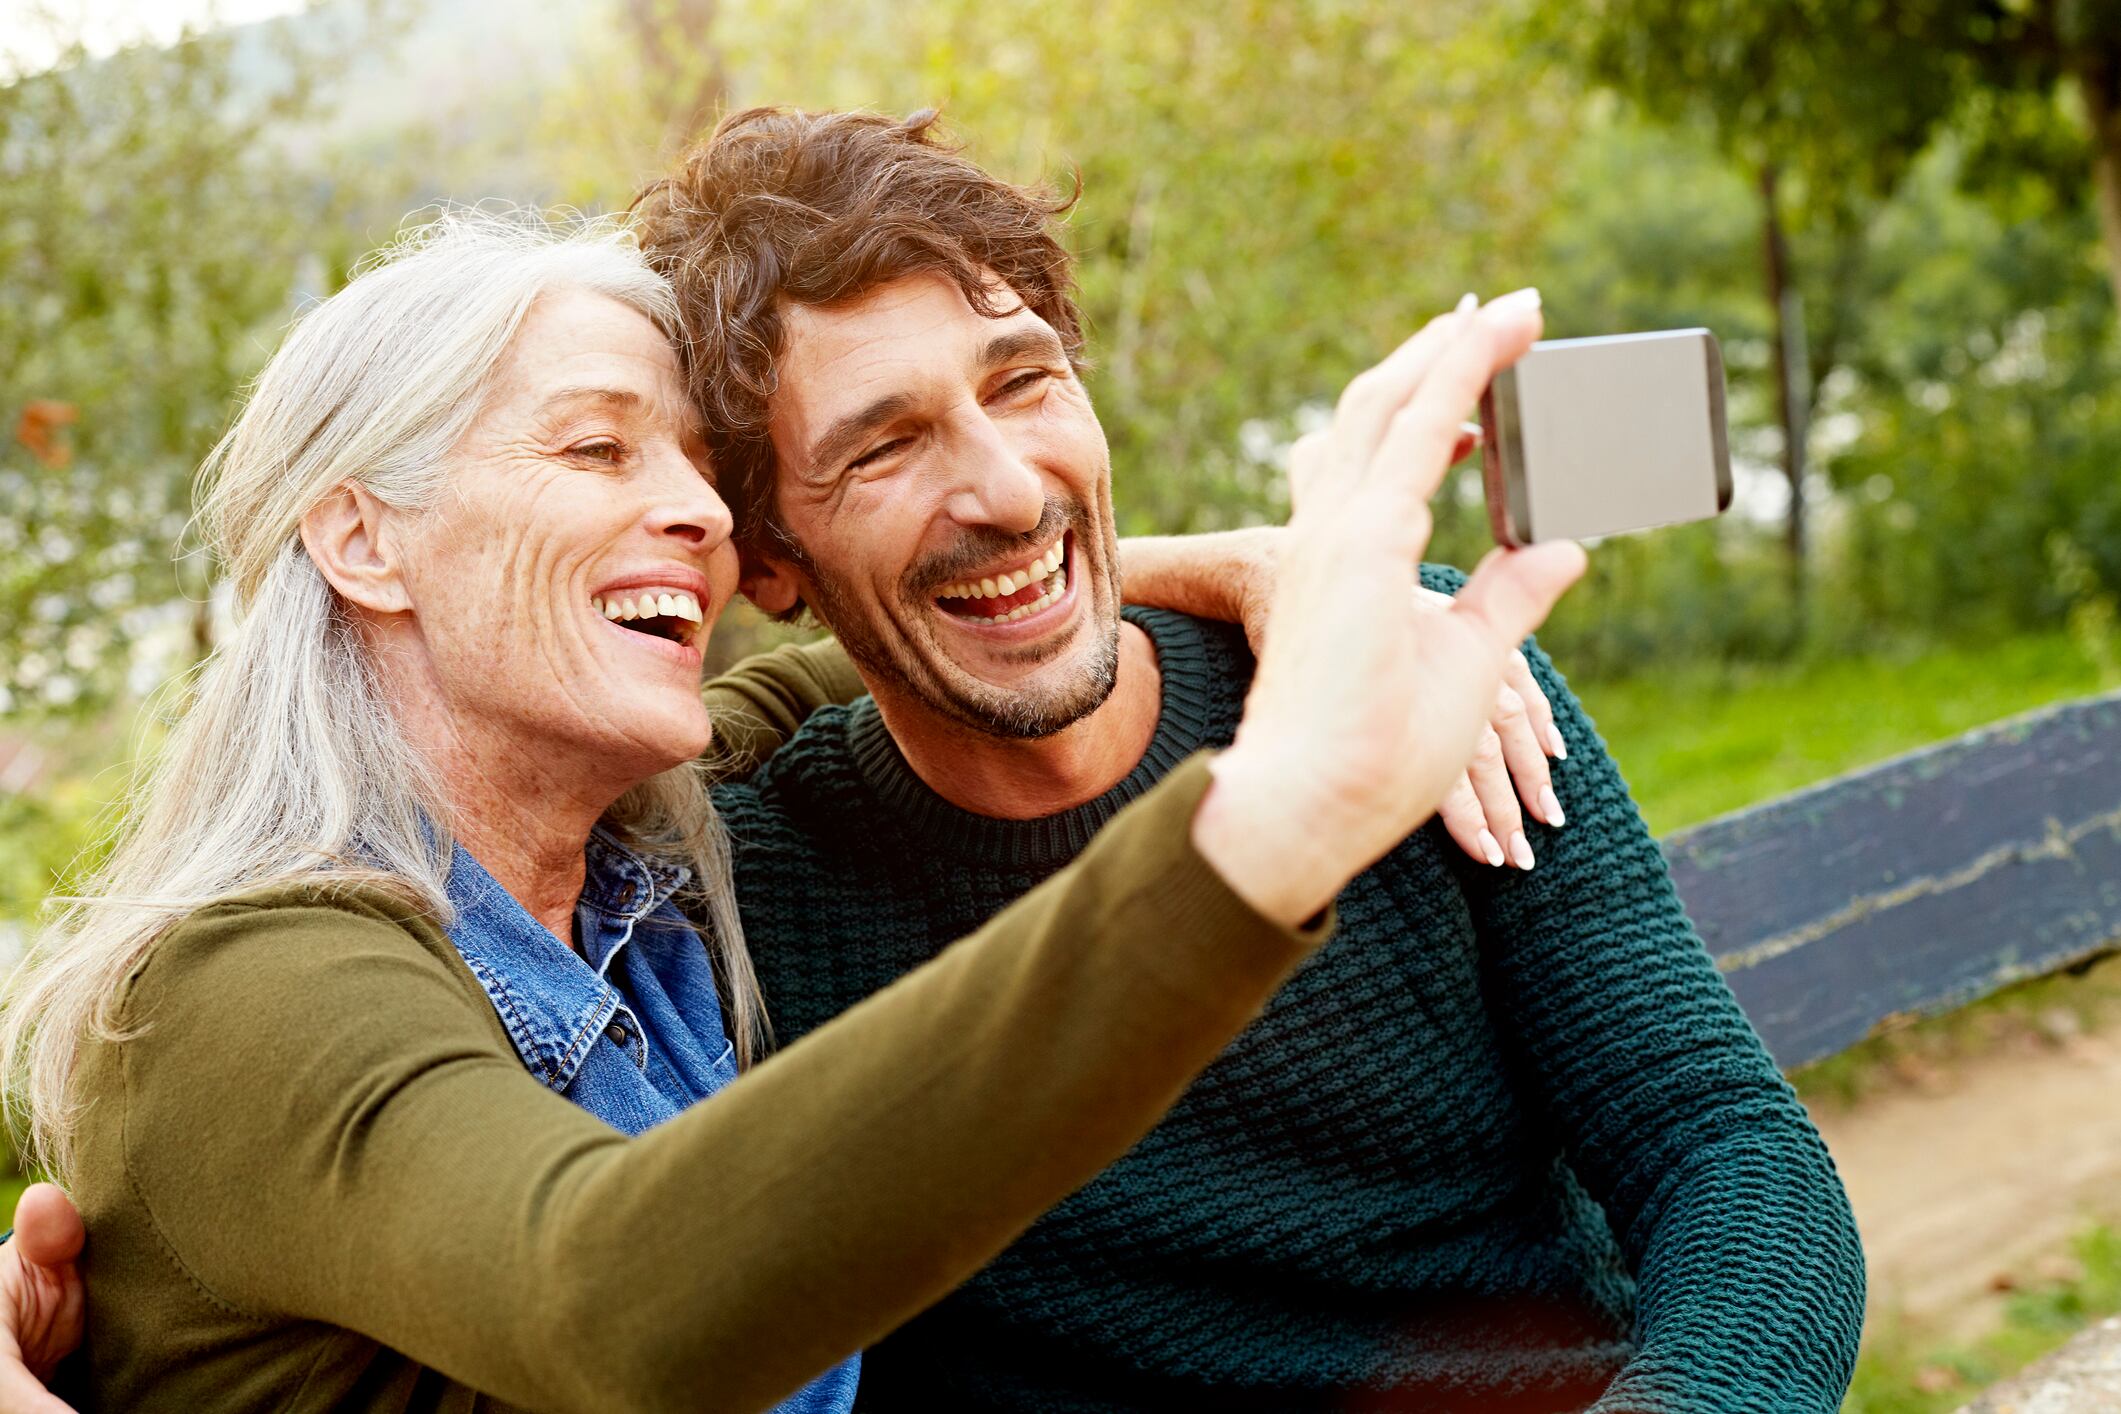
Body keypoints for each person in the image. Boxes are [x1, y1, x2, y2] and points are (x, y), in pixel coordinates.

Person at [0, 211, 1581, 1412]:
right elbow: (608, 1292)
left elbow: (895, 621)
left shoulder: (643, 844)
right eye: (595, 446)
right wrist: (1276, 821)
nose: (692, 509)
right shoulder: (245, 991)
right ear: (361, 539)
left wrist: (1249, 563)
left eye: (699, 464)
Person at [612, 108, 1867, 1411]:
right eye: (884, 445)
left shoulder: (1419, 665)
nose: (1008, 488)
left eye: (1023, 381)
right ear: (763, 562)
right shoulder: (740, 903)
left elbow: (1723, 1148)